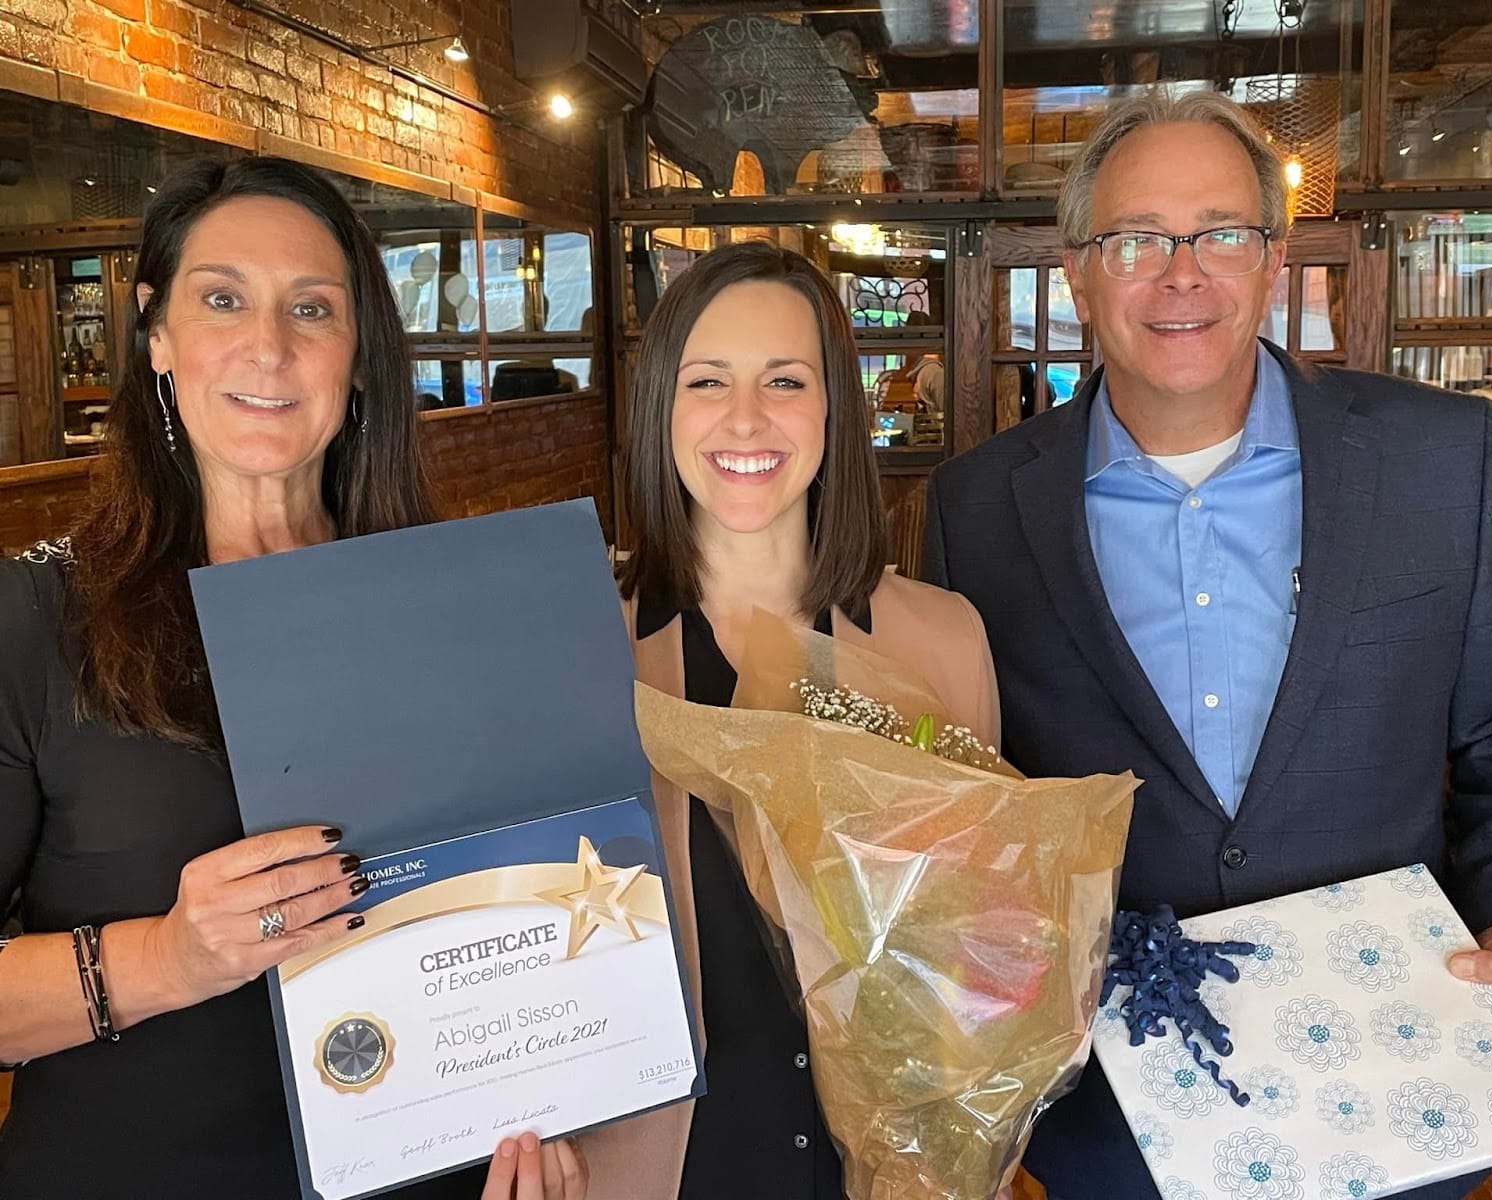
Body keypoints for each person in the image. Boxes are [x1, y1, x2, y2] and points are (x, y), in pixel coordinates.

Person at [921, 90, 1492, 1200]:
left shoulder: (1436, 461)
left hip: (1396, 1074)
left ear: (1273, 262)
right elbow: (966, 801)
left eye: (1221, 234)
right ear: (1080, 272)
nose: (1181, 274)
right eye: (1137, 239)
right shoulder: (976, 508)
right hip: (1117, 1120)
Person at [0, 157, 583, 1200]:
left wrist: (551, 1116)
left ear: (359, 356)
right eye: (222, 299)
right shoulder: (36, 620)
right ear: (157, 333)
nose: (267, 346)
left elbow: (544, 901)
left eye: (311, 310)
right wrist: (168, 959)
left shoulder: (462, 613)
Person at [585, 240, 1000, 1199]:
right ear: (662, 409)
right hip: (667, 1169)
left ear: (831, 410)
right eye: (707, 381)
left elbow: (982, 937)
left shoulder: (942, 640)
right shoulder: (578, 656)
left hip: (886, 1168)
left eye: (784, 379)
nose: (745, 417)